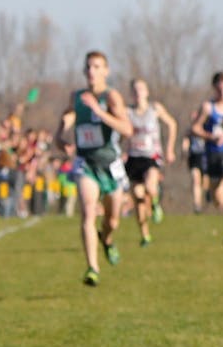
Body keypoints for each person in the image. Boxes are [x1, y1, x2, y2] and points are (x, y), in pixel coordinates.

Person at [56, 51, 134, 286]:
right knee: (89, 211)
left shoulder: (111, 97)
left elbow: (127, 129)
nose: (92, 71)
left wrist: (100, 112)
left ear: (105, 71)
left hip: (110, 164)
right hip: (85, 162)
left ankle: (107, 240)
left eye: (97, 66)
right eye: (88, 66)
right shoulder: (77, 96)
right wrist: (61, 134)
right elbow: (68, 115)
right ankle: (92, 267)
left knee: (112, 220)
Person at [123, 78, 178, 247]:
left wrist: (169, 149)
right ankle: (145, 235)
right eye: (135, 90)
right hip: (133, 157)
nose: (138, 92)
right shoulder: (127, 112)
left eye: (141, 89)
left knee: (150, 186)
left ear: (147, 92)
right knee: (138, 197)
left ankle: (155, 204)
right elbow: (119, 131)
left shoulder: (155, 108)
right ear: (131, 94)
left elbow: (172, 124)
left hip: (151, 156)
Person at [189, 72, 223, 237]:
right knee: (219, 201)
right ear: (214, 88)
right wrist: (211, 137)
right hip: (213, 155)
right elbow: (195, 128)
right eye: (219, 88)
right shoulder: (208, 107)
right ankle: (215, 193)